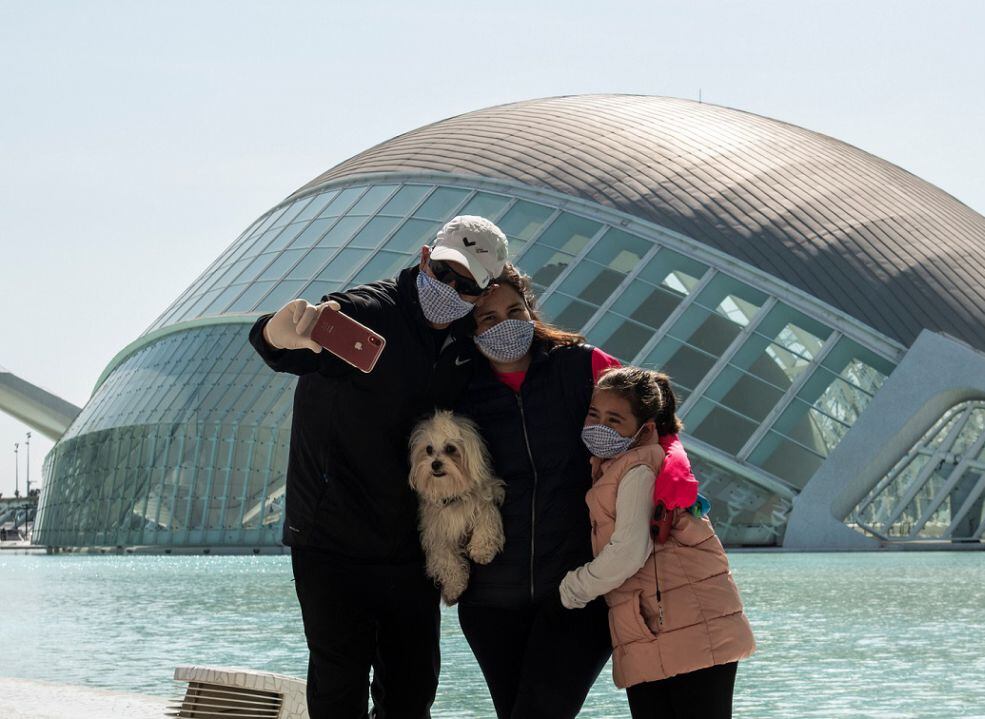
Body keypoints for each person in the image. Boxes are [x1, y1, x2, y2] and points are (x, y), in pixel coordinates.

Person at [249, 215, 508, 718]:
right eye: (446, 273)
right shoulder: (367, 312)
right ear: (425, 258)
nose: (451, 289)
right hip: (331, 539)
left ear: (483, 291)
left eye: (468, 285)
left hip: (409, 545)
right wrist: (277, 333)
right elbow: (284, 347)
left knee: (412, 691)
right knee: (338, 686)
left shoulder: (465, 343)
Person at [453, 267, 698, 719]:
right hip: (490, 599)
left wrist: (676, 477)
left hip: (574, 591)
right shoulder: (459, 388)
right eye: (487, 319)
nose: (505, 324)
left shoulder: (580, 365)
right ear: (470, 329)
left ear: (531, 312)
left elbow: (653, 421)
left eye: (515, 310)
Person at [560, 366, 756, 719]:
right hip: (665, 624)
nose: (599, 426)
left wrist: (575, 587)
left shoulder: (637, 470)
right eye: (594, 415)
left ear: (645, 429)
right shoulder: (620, 466)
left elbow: (629, 551)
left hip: (685, 626)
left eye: (615, 420)